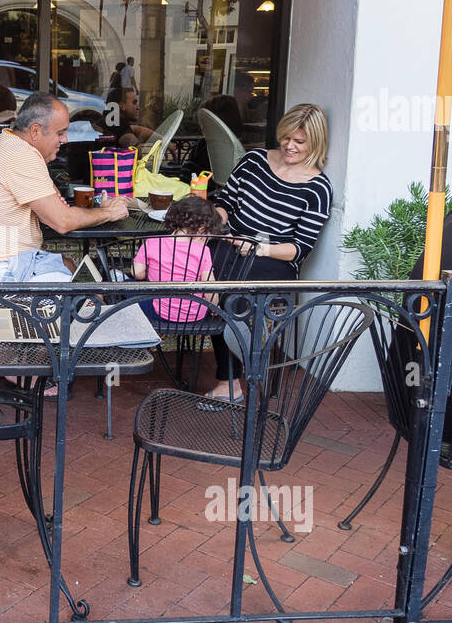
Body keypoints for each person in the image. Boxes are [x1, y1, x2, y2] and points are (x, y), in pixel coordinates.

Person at [205, 102, 333, 403]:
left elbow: (299, 248)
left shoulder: (318, 188)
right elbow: (226, 203)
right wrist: (215, 221)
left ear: (315, 142)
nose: (289, 145)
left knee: (232, 293)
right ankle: (242, 363)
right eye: (286, 137)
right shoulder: (253, 161)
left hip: (275, 257)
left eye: (299, 142)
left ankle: (233, 380)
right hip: (232, 242)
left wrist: (261, 249)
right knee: (205, 279)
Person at [0, 92, 133, 280]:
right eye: (60, 133)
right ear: (35, 131)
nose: (65, 140)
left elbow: (55, 210)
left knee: (69, 265)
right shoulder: (21, 155)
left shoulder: (7, 142)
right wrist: (110, 213)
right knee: (89, 291)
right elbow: (62, 221)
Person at [132, 197, 224, 323]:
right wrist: (215, 307)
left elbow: (137, 273)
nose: (206, 241)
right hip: (195, 315)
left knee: (127, 286)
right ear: (201, 230)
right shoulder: (203, 251)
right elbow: (210, 290)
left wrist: (154, 272)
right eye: (207, 237)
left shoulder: (152, 243)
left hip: (158, 312)